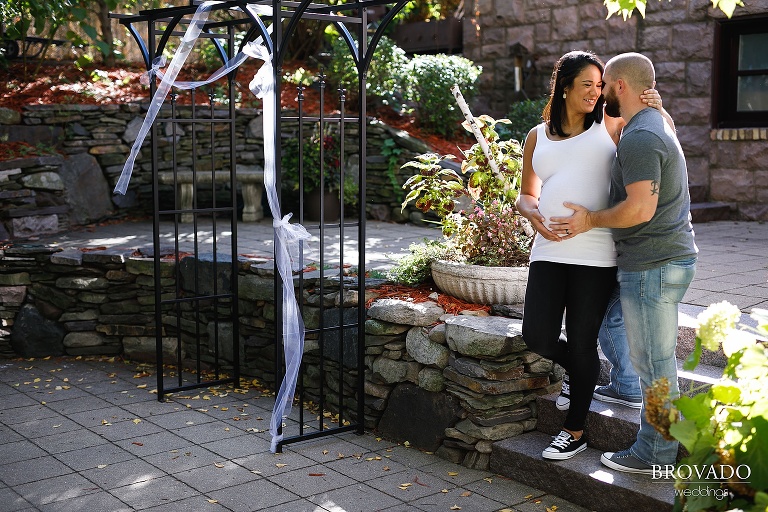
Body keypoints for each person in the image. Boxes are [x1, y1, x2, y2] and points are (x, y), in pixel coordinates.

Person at [516, 50, 668, 460]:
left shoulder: (612, 124)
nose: (596, 92)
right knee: (537, 336)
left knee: (583, 342)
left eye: (600, 85)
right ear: (564, 87)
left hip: (597, 253)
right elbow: (527, 194)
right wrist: (533, 215)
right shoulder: (537, 136)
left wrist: (659, 107)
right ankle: (578, 374)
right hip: (548, 248)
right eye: (587, 84)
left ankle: (575, 429)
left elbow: (662, 141)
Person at [549, 52, 697, 474]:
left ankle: (656, 453)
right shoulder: (653, 124)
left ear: (620, 87)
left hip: (653, 264)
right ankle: (624, 386)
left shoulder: (639, 137)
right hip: (659, 260)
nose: (599, 95)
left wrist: (589, 219)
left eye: (605, 85)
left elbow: (640, 209)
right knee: (617, 321)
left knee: (655, 364)